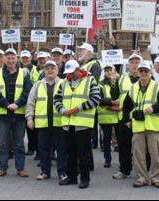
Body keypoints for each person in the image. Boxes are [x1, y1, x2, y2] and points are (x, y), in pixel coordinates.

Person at [54, 60, 101, 189]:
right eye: (68, 73)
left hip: (83, 123)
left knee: (83, 153)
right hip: (68, 123)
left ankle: (85, 179)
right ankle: (72, 177)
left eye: (72, 72)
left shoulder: (90, 80)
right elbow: (57, 99)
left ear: (78, 70)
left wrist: (79, 108)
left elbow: (96, 99)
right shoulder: (64, 83)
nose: (70, 75)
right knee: (70, 152)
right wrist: (63, 110)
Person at [122, 62, 159, 188]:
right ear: (138, 72)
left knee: (155, 154)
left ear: (150, 73)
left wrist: (153, 108)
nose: (143, 73)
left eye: (145, 71)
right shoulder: (133, 88)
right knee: (138, 155)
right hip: (138, 126)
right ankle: (142, 177)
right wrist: (127, 119)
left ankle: (155, 177)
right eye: (141, 71)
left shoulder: (157, 86)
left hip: (153, 126)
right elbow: (126, 106)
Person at [0, 48, 32, 178]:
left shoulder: (24, 74)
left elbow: (28, 91)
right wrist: (6, 104)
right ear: (4, 59)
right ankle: (2, 168)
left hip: (18, 113)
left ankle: (20, 168)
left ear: (17, 59)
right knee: (2, 143)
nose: (10, 60)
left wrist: (17, 104)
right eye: (8, 58)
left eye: (13, 58)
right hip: (3, 113)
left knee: (19, 143)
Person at [26, 60, 67, 181]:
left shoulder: (64, 83)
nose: (50, 70)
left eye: (52, 68)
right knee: (43, 149)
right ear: (44, 70)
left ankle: (62, 172)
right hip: (43, 123)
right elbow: (30, 102)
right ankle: (45, 172)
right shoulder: (38, 84)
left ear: (57, 70)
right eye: (47, 68)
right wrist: (29, 118)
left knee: (61, 150)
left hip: (59, 123)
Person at [113, 53, 142, 179]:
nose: (134, 65)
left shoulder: (146, 77)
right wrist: (113, 85)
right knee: (123, 145)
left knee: (141, 147)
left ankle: (142, 171)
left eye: (137, 62)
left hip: (140, 118)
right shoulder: (122, 78)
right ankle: (124, 170)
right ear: (128, 65)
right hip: (123, 118)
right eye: (132, 62)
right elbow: (115, 97)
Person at [98, 64, 120, 168]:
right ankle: (107, 159)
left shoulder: (118, 82)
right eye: (106, 70)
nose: (108, 72)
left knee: (121, 139)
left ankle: (122, 160)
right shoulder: (100, 84)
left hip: (117, 115)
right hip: (105, 117)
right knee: (106, 140)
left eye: (110, 70)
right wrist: (112, 102)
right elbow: (99, 100)